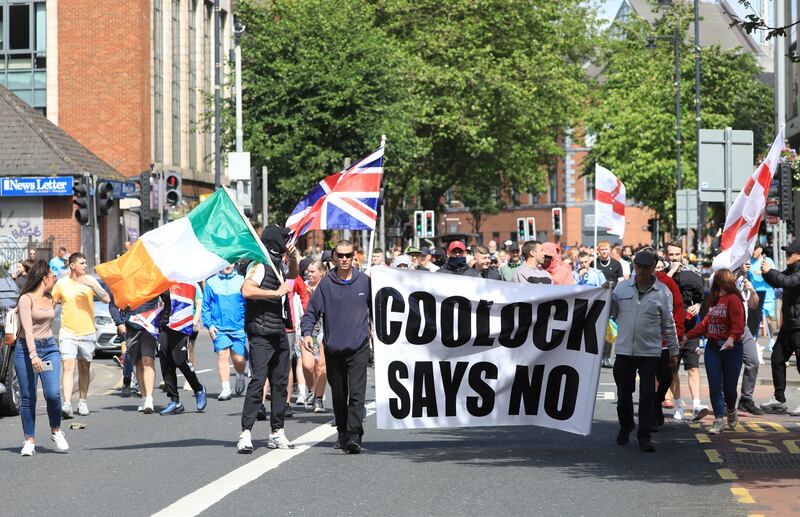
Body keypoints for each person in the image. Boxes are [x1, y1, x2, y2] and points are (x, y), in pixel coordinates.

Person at [301, 240, 372, 454]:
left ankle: (355, 435)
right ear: (334, 257)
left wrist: (380, 331)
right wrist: (306, 333)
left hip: (359, 346)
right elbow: (311, 312)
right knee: (339, 395)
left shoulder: (364, 282)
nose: (344, 259)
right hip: (333, 348)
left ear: (354, 256)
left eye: (348, 255)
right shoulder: (326, 284)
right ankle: (342, 431)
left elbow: (379, 309)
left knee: (357, 394)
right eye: (340, 255)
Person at [237, 225, 299, 453]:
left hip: (279, 332)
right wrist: (275, 293)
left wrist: (293, 257)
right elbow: (247, 290)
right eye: (285, 238)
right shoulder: (259, 264)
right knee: (258, 381)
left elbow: (293, 274)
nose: (288, 241)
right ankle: (245, 433)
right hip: (261, 333)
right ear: (276, 241)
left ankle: (277, 432)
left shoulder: (276, 262)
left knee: (281, 384)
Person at [611, 249, 679, 452]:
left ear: (653, 269)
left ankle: (644, 435)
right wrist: (604, 296)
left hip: (650, 352)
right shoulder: (621, 289)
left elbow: (669, 323)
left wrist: (674, 351)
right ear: (634, 266)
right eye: (638, 266)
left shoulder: (662, 292)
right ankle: (626, 427)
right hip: (624, 351)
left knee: (647, 396)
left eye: (646, 267)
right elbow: (610, 313)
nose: (641, 270)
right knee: (624, 396)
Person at [14, 260, 68, 456]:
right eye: (52, 275)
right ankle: (29, 439)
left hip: (50, 349)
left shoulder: (50, 297)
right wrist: (33, 355)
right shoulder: (25, 299)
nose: (55, 278)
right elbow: (28, 331)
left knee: (53, 394)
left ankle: (56, 431)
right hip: (26, 350)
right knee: (28, 397)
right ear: (44, 278)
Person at [684, 269, 746, 435]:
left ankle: (731, 408)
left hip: (732, 349)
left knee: (730, 388)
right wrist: (687, 336)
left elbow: (738, 323)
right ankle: (719, 419)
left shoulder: (733, 299)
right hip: (713, 347)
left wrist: (732, 338)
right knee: (714, 384)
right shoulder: (714, 301)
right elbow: (705, 323)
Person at [51, 253, 110, 418]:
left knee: (84, 368)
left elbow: (106, 299)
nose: (85, 265)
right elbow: (51, 304)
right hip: (67, 332)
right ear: (72, 265)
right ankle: (67, 403)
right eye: (82, 263)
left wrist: (93, 286)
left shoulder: (90, 280)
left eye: (85, 262)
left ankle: (82, 401)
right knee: (68, 367)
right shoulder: (61, 284)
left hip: (87, 332)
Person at [664, 241, 709, 420]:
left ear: (682, 254)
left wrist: (697, 305)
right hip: (671, 329)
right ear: (666, 255)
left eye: (676, 254)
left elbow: (700, 296)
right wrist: (673, 270)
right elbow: (662, 289)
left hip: (690, 328)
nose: (674, 258)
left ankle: (697, 405)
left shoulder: (692, 273)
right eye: (671, 255)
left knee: (693, 367)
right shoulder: (663, 275)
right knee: (673, 370)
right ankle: (678, 405)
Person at [759, 239, 800, 415]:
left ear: (799, 255)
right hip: (789, 323)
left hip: (799, 325)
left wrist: (771, 271)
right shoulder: (792, 270)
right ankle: (779, 399)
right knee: (776, 357)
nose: (787, 256)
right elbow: (778, 281)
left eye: (790, 253)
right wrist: (765, 273)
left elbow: (788, 282)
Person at [157, 283, 207, 415]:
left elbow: (198, 301)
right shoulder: (164, 280)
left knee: (179, 360)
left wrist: (195, 320)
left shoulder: (188, 279)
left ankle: (198, 388)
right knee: (164, 357)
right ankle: (175, 400)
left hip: (181, 324)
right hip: (166, 323)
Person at [109, 292, 163, 414]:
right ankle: (144, 399)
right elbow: (113, 304)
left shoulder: (152, 277)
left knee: (147, 360)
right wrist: (119, 322)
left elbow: (165, 292)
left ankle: (149, 399)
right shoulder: (124, 281)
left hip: (149, 326)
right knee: (138, 363)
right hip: (131, 328)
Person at [203, 265, 248, 401]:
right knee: (222, 355)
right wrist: (209, 325)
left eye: (231, 262)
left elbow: (248, 304)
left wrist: (247, 323)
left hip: (238, 327)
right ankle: (225, 388)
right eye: (225, 262)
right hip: (219, 328)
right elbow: (206, 306)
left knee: (239, 360)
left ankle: (240, 376)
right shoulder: (211, 282)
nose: (228, 265)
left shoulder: (242, 280)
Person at [654, 260, 685, 423]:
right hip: (643, 343)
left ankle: (668, 404)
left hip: (665, 341)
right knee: (648, 377)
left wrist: (678, 335)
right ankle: (652, 411)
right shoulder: (631, 284)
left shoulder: (667, 282)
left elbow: (678, 309)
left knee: (668, 376)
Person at [299, 261, 328, 413]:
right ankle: (311, 390)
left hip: (323, 328)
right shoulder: (302, 286)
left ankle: (318, 399)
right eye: (308, 272)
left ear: (321, 272)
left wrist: (316, 297)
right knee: (307, 365)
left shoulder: (327, 287)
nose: (309, 274)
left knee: (321, 365)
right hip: (307, 329)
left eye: (312, 272)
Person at [748, 243, 777, 350]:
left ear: (760, 249)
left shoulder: (767, 260)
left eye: (755, 249)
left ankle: (772, 339)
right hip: (755, 296)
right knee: (753, 320)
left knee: (769, 320)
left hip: (768, 294)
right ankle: (753, 343)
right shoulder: (749, 262)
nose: (753, 252)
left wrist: (761, 272)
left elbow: (775, 274)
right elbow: (746, 277)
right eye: (752, 249)